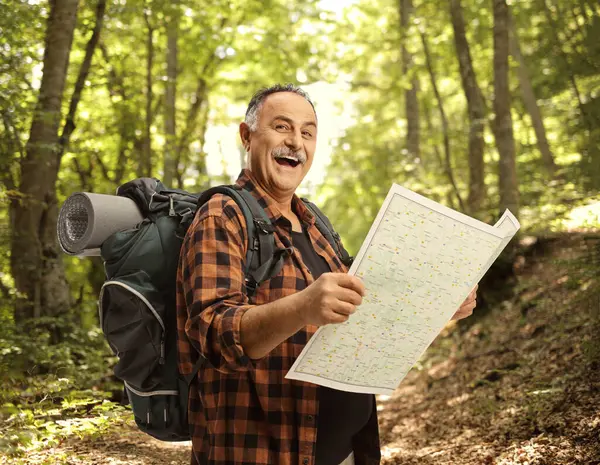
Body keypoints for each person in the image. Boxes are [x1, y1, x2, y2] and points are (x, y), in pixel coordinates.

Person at [176, 84, 478, 465]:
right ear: (247, 136)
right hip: (262, 453)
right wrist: (303, 307)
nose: (296, 143)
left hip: (349, 452)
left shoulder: (313, 220)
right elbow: (213, 334)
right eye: (282, 127)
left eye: (307, 132)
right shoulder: (222, 215)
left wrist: (439, 303)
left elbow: (368, 310)